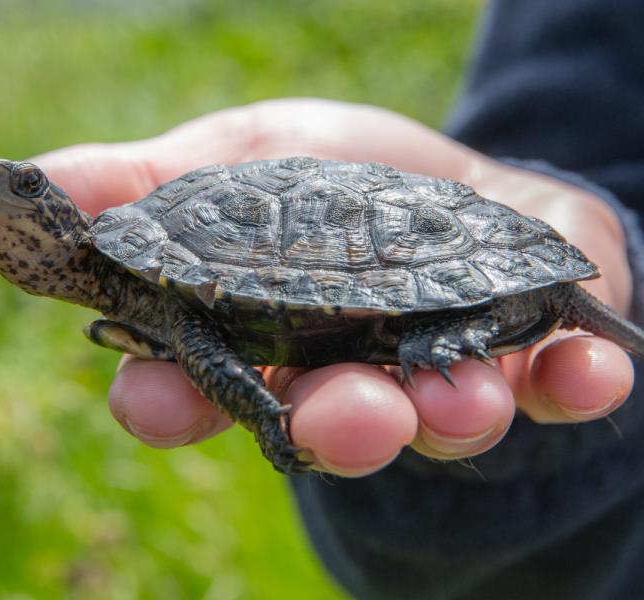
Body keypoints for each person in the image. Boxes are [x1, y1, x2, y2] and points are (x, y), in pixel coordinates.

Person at [34, 0, 644, 596]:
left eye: (28, 186)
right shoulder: (154, 280)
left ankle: (505, 310)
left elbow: (208, 353)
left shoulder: (164, 293)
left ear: (62, 222)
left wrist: (267, 422)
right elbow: (569, 93)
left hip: (470, 269)